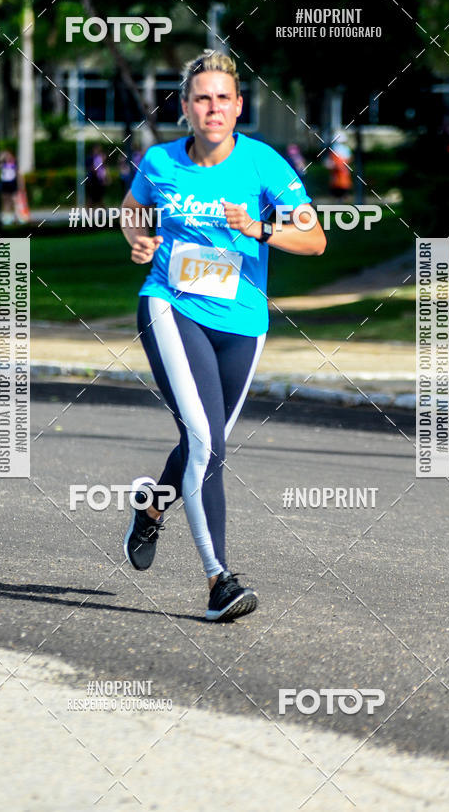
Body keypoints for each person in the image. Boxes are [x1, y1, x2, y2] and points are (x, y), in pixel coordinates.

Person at [120, 50, 326, 622]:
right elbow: (133, 208)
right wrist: (138, 239)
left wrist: (260, 227)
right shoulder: (160, 161)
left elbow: (315, 242)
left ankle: (151, 511)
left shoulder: (265, 165)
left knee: (201, 444)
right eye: (201, 98)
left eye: (223, 98)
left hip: (242, 323)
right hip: (170, 305)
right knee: (207, 446)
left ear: (238, 108)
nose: (212, 107)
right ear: (186, 108)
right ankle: (219, 581)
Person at [325, 131, 353, 202]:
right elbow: (330, 162)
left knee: (343, 186)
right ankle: (338, 200)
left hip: (342, 173)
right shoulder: (333, 150)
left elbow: (348, 160)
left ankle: (341, 199)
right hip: (336, 174)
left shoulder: (345, 149)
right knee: (336, 187)